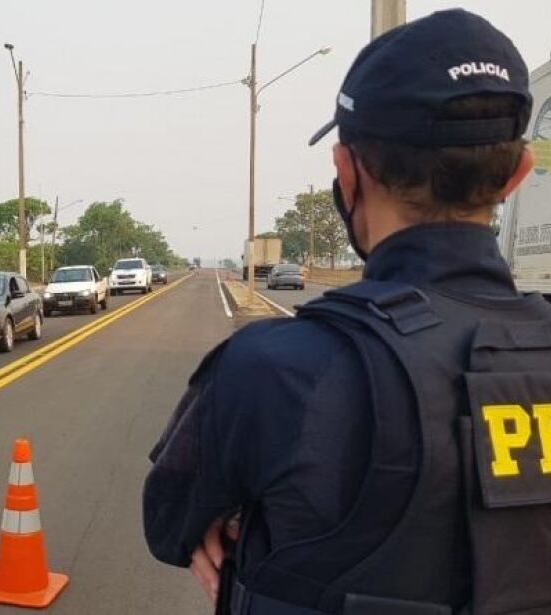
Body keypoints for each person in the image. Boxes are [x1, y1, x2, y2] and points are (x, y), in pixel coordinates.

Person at [143, 9, 551, 614]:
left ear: (346, 172)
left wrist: (235, 519)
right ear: (517, 175)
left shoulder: (273, 368)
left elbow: (170, 521)